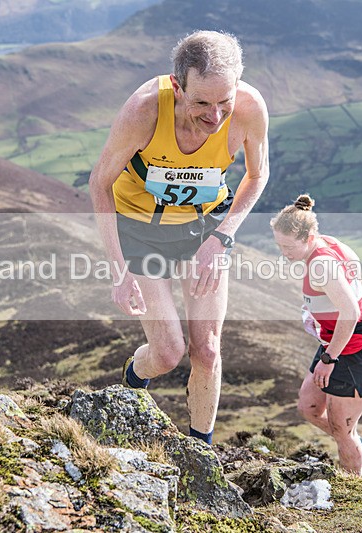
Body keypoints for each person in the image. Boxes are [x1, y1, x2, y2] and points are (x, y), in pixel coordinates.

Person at [88, 30, 270, 445]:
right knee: (168, 354)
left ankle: (201, 452)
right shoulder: (144, 109)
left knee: (205, 348)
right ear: (177, 85)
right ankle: (134, 378)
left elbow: (258, 176)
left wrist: (221, 238)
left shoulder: (249, 108)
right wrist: (119, 273)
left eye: (225, 100)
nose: (216, 115)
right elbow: (99, 183)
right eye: (202, 102)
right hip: (140, 230)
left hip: (205, 230)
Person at [271, 194, 362, 475]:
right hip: (333, 342)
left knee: (343, 431)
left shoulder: (321, 265)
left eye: (288, 246)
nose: (283, 252)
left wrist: (330, 358)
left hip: (352, 352)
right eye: (279, 245)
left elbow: (350, 313)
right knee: (309, 408)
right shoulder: (330, 242)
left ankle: (355, 490)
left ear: (309, 237)